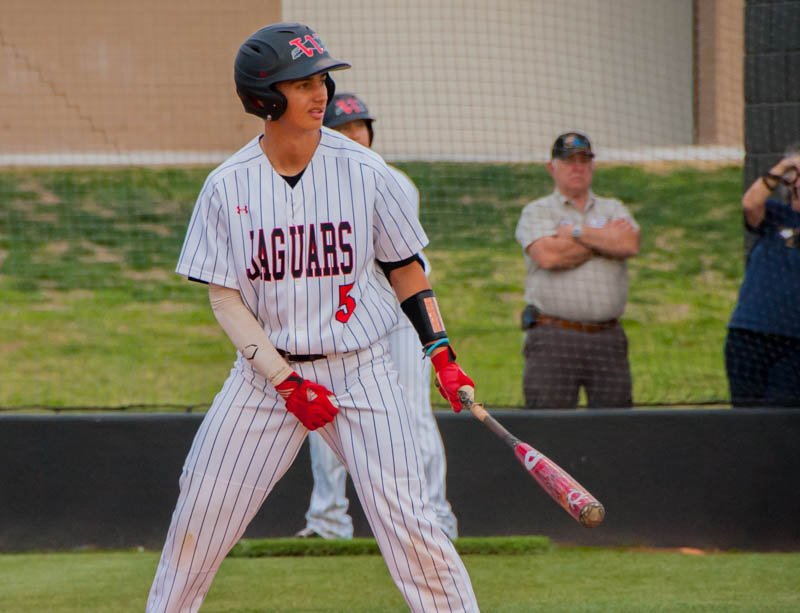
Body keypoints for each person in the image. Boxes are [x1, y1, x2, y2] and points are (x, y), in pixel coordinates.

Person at [146, 23, 479, 612]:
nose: (320, 91)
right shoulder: (227, 186)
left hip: (361, 371)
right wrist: (283, 380)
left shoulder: (368, 172)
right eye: (301, 83)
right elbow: (225, 300)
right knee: (197, 520)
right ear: (263, 98)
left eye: (320, 78)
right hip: (264, 383)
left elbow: (406, 269)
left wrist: (442, 351)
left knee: (415, 531)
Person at [295, 92, 458, 540]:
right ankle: (328, 521)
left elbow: (404, 267)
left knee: (412, 413)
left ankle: (435, 519)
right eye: (343, 128)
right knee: (325, 415)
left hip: (398, 316)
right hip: (340, 320)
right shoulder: (306, 186)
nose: (354, 135)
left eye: (359, 127)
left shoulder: (394, 182)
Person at [514, 132, 640, 409]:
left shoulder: (613, 207)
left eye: (584, 159)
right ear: (552, 167)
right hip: (553, 336)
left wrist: (576, 232)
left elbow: (629, 242)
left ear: (592, 165)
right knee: (550, 429)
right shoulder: (537, 212)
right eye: (569, 160)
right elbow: (548, 256)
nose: (577, 166)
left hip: (607, 337)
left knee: (615, 428)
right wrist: (604, 240)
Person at [725, 144, 800, 407]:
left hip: (794, 341)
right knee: (746, 416)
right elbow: (750, 203)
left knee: (780, 418)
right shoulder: (775, 215)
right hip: (751, 333)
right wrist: (783, 167)